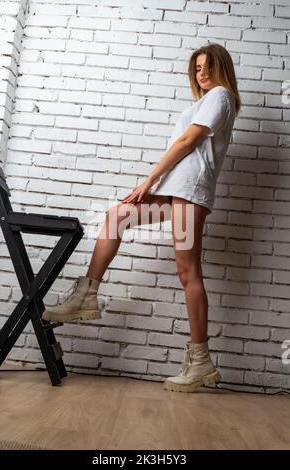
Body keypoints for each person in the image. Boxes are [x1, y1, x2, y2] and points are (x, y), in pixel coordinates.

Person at [43, 42, 241, 393]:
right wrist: (157, 186)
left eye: (208, 66)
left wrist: (148, 179)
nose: (202, 73)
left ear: (221, 67)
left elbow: (187, 142)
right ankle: (87, 293)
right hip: (174, 189)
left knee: (187, 270)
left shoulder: (221, 96)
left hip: (189, 192)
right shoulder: (203, 101)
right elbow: (185, 149)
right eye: (197, 68)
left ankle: (200, 360)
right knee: (117, 215)